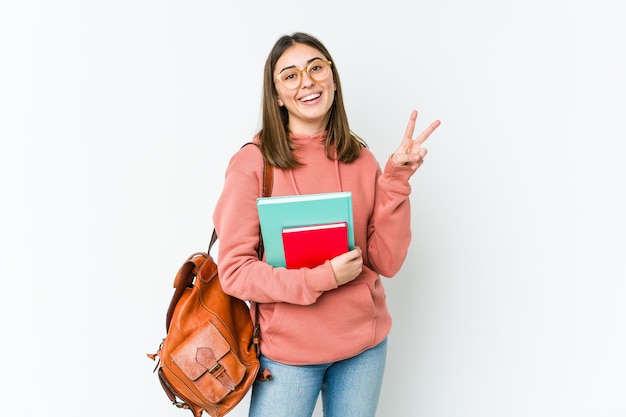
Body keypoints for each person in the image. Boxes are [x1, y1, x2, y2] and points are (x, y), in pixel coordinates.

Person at [213, 32, 440, 417]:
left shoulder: (360, 157)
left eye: (317, 67)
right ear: (277, 94)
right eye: (291, 75)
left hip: (363, 351)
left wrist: (396, 181)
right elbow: (234, 272)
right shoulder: (253, 164)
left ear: (332, 78)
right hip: (287, 357)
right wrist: (322, 279)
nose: (307, 81)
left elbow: (387, 261)